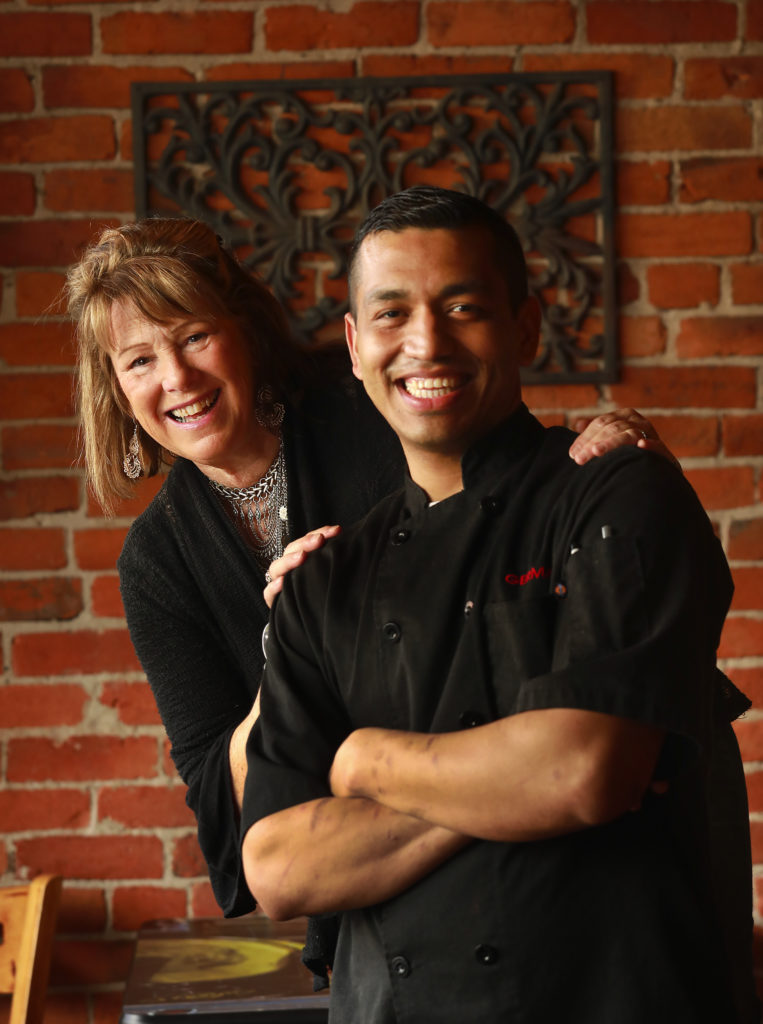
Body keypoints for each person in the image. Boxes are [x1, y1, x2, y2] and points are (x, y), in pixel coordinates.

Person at [67, 217, 678, 929]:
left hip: (549, 866)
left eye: (195, 336)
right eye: (139, 360)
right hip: (365, 890)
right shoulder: (155, 561)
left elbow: (510, 514)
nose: (176, 378)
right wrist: (290, 650)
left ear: (246, 330)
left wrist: (592, 459)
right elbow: (224, 808)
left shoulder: (365, 400)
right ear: (115, 387)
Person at [242, 186, 757, 1023]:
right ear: (355, 345)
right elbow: (277, 868)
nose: (426, 342)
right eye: (392, 314)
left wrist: (365, 763)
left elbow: (580, 771)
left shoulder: (615, 494)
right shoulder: (323, 578)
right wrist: (513, 777)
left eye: (462, 307)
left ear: (523, 328)